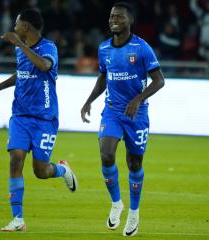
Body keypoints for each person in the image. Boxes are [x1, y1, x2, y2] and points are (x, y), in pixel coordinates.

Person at [0, 9, 77, 232]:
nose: (14, 28)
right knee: (16, 159)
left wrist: (20, 45)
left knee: (40, 171)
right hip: (20, 116)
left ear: (25, 27)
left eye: (17, 24)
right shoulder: (19, 50)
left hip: (45, 118)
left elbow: (43, 65)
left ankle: (63, 170)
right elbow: (21, 73)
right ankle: (18, 219)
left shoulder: (48, 47)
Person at [80, 2, 165, 237]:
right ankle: (117, 203)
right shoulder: (104, 48)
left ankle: (134, 212)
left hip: (137, 114)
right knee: (106, 153)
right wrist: (89, 101)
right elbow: (103, 78)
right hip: (113, 111)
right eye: (111, 16)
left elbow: (159, 80)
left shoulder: (142, 48)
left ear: (130, 21)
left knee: (134, 163)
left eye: (119, 17)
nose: (113, 20)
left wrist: (138, 99)